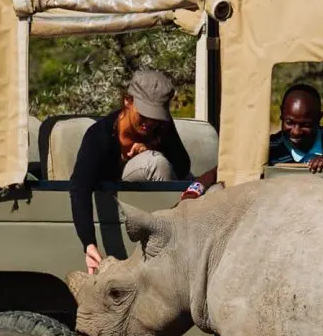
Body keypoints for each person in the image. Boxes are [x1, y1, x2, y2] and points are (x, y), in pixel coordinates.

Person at [70, 69, 215, 274]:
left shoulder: (159, 128)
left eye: (156, 116)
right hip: (117, 193)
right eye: (145, 114)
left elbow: (182, 167)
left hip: (155, 194)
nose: (149, 122)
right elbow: (79, 188)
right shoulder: (99, 136)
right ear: (127, 101)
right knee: (153, 163)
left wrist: (153, 146)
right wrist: (89, 243)